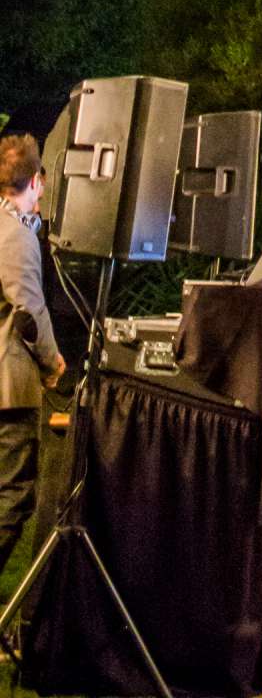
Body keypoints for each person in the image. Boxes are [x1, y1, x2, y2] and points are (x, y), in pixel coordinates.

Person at [0, 132, 66, 581]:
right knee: (13, 495)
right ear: (36, 182)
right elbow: (28, 309)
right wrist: (53, 362)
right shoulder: (15, 237)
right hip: (9, 389)